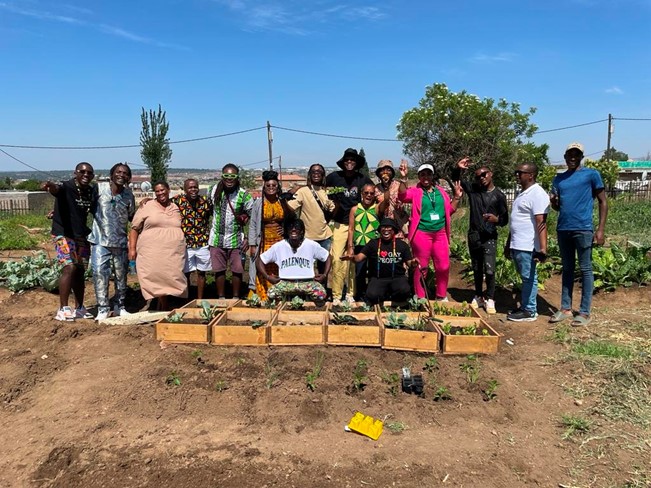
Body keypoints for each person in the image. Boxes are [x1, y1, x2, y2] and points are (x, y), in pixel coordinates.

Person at [549, 142, 608, 327]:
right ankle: (566, 308)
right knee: (567, 268)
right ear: (565, 156)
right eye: (570, 155)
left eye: (576, 155)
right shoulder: (558, 179)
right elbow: (558, 207)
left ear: (581, 157)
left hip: (583, 228)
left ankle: (584, 312)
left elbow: (603, 202)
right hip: (563, 228)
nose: (573, 158)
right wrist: (554, 202)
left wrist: (600, 230)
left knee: (585, 269)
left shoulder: (591, 175)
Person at [396, 163, 462, 301]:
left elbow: (449, 211)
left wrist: (456, 197)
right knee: (422, 267)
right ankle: (420, 297)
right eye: (422, 174)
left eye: (428, 174)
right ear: (419, 176)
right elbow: (402, 196)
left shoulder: (441, 192)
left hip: (440, 233)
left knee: (443, 266)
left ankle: (441, 295)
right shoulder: (416, 191)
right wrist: (403, 178)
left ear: (433, 176)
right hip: (422, 234)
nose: (426, 177)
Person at [452, 157, 508, 314]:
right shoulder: (474, 190)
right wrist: (458, 168)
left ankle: (490, 297)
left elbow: (504, 220)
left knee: (489, 269)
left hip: (489, 236)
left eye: (484, 174)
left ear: (491, 174)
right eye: (478, 176)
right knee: (477, 268)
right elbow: (456, 180)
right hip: (474, 235)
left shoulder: (499, 196)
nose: (481, 178)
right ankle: (478, 295)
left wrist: (496, 219)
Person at [42, 162, 96, 321]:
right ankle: (63, 308)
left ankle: (80, 308)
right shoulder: (67, 186)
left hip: (80, 235)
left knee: (80, 270)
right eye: (82, 172)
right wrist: (50, 186)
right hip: (63, 234)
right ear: (75, 173)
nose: (86, 175)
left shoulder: (90, 191)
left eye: (89, 173)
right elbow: (57, 190)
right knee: (69, 267)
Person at [128, 181, 187, 310]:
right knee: (156, 275)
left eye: (162, 190)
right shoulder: (147, 206)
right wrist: (132, 249)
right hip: (151, 249)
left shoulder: (177, 206)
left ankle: (163, 304)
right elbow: (134, 228)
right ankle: (163, 305)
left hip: (173, 251)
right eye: (157, 191)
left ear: (168, 189)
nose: (160, 193)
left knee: (171, 275)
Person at [88, 163, 136, 321]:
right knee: (99, 273)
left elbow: (132, 217)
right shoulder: (99, 189)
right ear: (112, 174)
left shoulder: (129, 195)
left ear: (128, 178)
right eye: (118, 172)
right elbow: (83, 206)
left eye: (125, 173)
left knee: (121, 276)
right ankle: (103, 307)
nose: (121, 175)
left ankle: (119, 306)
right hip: (100, 241)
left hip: (120, 242)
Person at [325, 148, 374, 303]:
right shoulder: (334, 177)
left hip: (358, 225)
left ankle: (351, 294)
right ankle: (337, 295)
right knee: (338, 260)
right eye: (347, 160)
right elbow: (320, 187)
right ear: (343, 162)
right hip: (340, 224)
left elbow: (374, 193)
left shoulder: (363, 179)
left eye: (352, 160)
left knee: (353, 260)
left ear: (357, 163)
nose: (349, 163)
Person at [504, 163, 550, 322]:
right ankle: (525, 306)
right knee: (525, 277)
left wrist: (543, 249)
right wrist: (508, 244)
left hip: (528, 245)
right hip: (517, 244)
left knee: (529, 277)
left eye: (520, 173)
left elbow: (541, 222)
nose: (517, 175)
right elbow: (516, 221)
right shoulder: (522, 193)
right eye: (516, 172)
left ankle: (530, 311)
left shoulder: (537, 194)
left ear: (531, 175)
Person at [342, 218, 418, 305]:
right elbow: (359, 257)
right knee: (372, 295)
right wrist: (352, 257)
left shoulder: (402, 245)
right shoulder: (373, 243)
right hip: (378, 278)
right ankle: (383, 295)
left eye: (389, 228)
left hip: (397, 277)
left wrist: (413, 263)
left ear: (394, 231)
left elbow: (409, 263)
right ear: (380, 230)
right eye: (383, 227)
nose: (386, 230)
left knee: (404, 290)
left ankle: (395, 299)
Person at [255, 219, 332, 305]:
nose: (294, 229)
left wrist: (325, 275)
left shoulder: (311, 245)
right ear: (287, 231)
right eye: (291, 227)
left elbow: (327, 256)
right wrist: (267, 277)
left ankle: (311, 308)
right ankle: (283, 307)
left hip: (307, 282)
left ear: (302, 231)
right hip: (286, 282)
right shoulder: (279, 246)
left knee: (321, 295)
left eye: (297, 228)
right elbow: (259, 260)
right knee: (272, 294)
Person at [207, 164, 253, 299]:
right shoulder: (213, 190)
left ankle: (235, 297)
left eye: (232, 176)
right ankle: (221, 297)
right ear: (222, 176)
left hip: (236, 239)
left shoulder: (244, 195)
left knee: (237, 270)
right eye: (226, 176)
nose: (229, 179)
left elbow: (253, 217)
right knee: (219, 270)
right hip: (216, 238)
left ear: (237, 177)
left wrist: (248, 239)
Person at [248, 170, 295, 301]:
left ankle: (280, 296)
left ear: (277, 186)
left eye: (274, 185)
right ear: (264, 186)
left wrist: (285, 230)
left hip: (279, 241)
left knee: (278, 266)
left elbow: (293, 219)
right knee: (263, 267)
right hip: (264, 241)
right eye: (268, 185)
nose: (271, 188)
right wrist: (252, 244)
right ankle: (264, 296)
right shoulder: (259, 203)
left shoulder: (282, 202)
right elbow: (252, 224)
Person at [286, 163, 336, 274]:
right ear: (309, 175)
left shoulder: (328, 192)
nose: (316, 173)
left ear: (323, 175)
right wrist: (283, 198)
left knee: (323, 269)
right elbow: (290, 208)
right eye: (314, 171)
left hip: (325, 236)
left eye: (319, 171)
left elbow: (333, 211)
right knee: (305, 267)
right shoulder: (303, 191)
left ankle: (321, 289)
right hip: (307, 236)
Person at [171, 178, 214, 301]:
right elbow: (161, 203)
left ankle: (200, 299)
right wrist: (147, 201)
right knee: (186, 273)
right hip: (186, 244)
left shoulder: (205, 202)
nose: (193, 190)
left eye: (195, 187)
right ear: (185, 189)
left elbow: (214, 214)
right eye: (190, 187)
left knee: (201, 273)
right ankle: (187, 299)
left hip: (203, 243)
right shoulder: (178, 201)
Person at [346, 183, 385, 302]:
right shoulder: (355, 209)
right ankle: (360, 296)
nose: (369, 195)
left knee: (374, 271)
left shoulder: (377, 208)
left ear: (375, 195)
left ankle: (373, 296)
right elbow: (351, 229)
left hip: (374, 246)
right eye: (366, 193)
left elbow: (387, 201)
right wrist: (350, 247)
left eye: (371, 193)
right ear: (361, 194)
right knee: (359, 272)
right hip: (360, 245)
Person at [374, 159, 408, 238]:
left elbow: (404, 193)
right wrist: (386, 188)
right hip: (384, 227)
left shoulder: (398, 184)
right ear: (379, 174)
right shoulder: (376, 189)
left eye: (388, 170)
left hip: (399, 226)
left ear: (392, 173)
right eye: (382, 170)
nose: (385, 172)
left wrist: (403, 176)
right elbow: (379, 209)